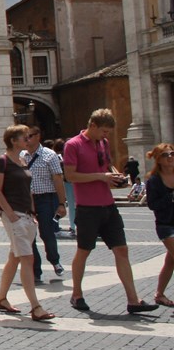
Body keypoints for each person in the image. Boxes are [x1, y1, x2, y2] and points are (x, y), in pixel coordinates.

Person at [65, 109, 158, 314]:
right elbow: (71, 176)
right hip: (87, 207)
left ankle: (133, 300)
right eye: (104, 132)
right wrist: (101, 176)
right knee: (84, 251)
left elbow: (108, 167)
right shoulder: (73, 145)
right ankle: (77, 294)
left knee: (122, 250)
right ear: (93, 126)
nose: (106, 136)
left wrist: (117, 176)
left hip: (108, 205)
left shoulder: (103, 144)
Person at [0, 125, 54, 321]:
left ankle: (1, 298)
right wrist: (10, 214)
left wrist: (32, 212)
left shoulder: (23, 159)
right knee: (28, 258)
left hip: (26, 214)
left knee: (15, 257)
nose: (28, 140)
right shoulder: (1, 162)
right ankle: (36, 307)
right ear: (13, 140)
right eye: (24, 137)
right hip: (14, 215)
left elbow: (28, 188)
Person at [22, 126, 67, 283]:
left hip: (46, 199)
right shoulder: (21, 156)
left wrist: (62, 203)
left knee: (47, 233)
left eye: (29, 136)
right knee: (30, 236)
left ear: (38, 136)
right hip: (27, 201)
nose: (26, 140)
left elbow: (58, 179)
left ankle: (55, 261)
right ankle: (36, 271)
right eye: (24, 137)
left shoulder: (50, 155)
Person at [145, 144, 174, 307]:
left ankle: (159, 294)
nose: (170, 157)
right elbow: (152, 204)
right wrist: (170, 197)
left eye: (172, 153)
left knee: (171, 262)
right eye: (165, 155)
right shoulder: (154, 180)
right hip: (165, 225)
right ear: (159, 160)